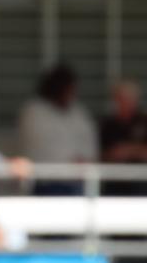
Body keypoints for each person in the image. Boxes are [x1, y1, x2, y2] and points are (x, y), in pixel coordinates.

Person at [18, 63, 98, 195]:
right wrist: (70, 161)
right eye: (67, 89)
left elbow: (89, 139)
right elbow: (40, 145)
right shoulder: (34, 112)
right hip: (47, 183)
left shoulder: (78, 112)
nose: (71, 93)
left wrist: (85, 159)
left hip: (79, 183)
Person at [99, 80, 147, 196]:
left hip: (143, 186)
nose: (122, 103)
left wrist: (131, 150)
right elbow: (98, 154)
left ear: (135, 100)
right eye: (119, 99)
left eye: (127, 99)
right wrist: (113, 154)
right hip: (114, 186)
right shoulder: (108, 124)